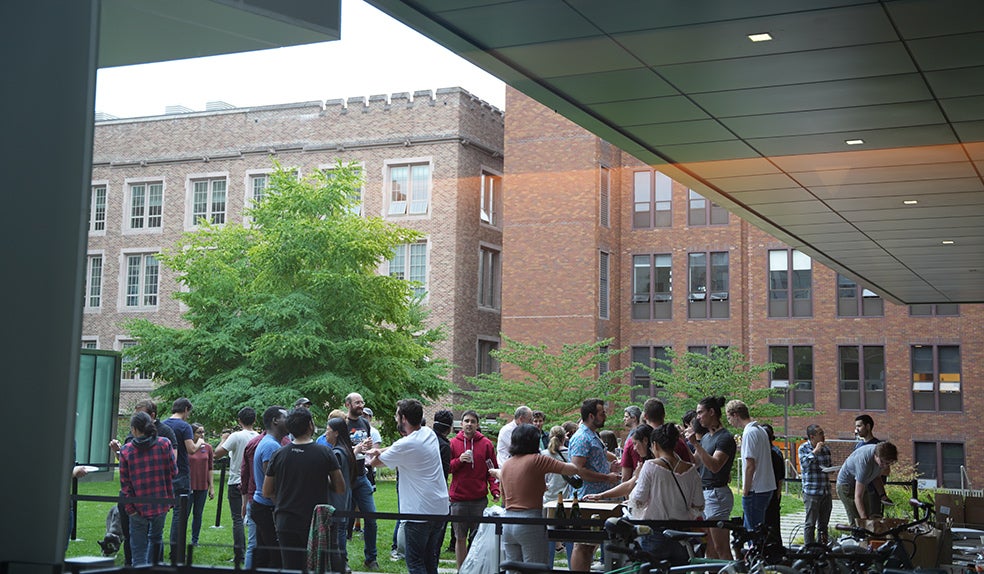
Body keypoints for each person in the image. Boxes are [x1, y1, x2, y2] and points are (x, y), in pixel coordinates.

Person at [367, 399, 449, 574]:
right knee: (430, 559)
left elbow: (374, 463)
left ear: (403, 418)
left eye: (397, 415)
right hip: (440, 508)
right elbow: (397, 448)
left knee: (415, 562)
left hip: (419, 512)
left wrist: (368, 453)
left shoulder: (406, 444)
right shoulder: (428, 433)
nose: (396, 418)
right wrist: (381, 450)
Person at [263, 408, 345, 571]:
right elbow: (340, 487)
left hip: (285, 520)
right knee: (316, 567)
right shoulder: (325, 453)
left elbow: (266, 491)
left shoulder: (279, 454)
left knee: (290, 567)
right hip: (315, 521)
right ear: (310, 425)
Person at [498, 424, 580, 571]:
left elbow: (504, 496)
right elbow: (572, 469)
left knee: (513, 570)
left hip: (508, 522)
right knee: (535, 569)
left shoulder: (507, 464)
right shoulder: (537, 460)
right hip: (529, 521)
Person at [109, 399, 178, 566]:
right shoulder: (164, 444)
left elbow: (125, 484)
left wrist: (131, 510)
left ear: (133, 429)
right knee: (156, 539)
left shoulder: (126, 450)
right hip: (160, 503)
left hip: (137, 506)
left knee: (138, 548)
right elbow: (174, 471)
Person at [627, 424, 704, 566]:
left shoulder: (650, 466)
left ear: (654, 445)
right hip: (682, 534)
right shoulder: (691, 470)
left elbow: (638, 499)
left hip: (655, 533)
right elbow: (699, 504)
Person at [568, 398, 621, 571]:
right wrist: (607, 478)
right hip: (587, 498)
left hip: (597, 499)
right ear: (591, 416)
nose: (605, 415)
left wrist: (609, 467)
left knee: (590, 545)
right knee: (583, 544)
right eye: (602, 413)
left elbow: (596, 460)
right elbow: (578, 469)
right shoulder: (582, 437)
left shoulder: (592, 435)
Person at [685, 396, 735, 560]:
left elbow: (715, 466)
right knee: (710, 548)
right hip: (705, 494)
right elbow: (695, 462)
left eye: (700, 413)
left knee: (721, 548)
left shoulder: (725, 438)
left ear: (712, 412)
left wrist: (697, 444)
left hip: (717, 495)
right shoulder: (706, 437)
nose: (698, 417)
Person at [449, 409, 500, 568]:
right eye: (466, 421)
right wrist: (459, 460)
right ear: (461, 424)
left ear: (477, 425)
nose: (469, 424)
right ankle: (461, 569)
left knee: (479, 538)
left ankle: (477, 569)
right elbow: (447, 468)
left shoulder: (486, 444)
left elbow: (492, 469)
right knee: (460, 537)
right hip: (459, 499)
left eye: (472, 421)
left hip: (479, 499)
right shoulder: (453, 443)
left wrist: (495, 489)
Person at [213, 406, 258, 565]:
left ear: (239, 421)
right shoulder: (259, 437)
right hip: (254, 483)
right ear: (254, 420)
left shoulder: (236, 436)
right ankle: (255, 552)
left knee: (238, 519)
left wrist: (223, 439)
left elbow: (217, 453)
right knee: (254, 519)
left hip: (236, 482)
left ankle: (240, 554)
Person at [162, 397, 206, 557]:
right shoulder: (184, 426)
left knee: (159, 511)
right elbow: (191, 449)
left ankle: (156, 549)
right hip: (180, 473)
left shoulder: (163, 424)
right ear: (186, 409)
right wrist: (200, 442)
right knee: (179, 514)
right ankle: (176, 550)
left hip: (163, 474)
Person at [725, 400, 776, 532]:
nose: (729, 421)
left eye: (729, 417)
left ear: (735, 415)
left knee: (751, 531)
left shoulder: (749, 433)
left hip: (756, 489)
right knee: (759, 528)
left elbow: (750, 465)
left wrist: (745, 490)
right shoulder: (760, 430)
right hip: (767, 486)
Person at [344, 392, 380, 570]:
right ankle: (342, 560)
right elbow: (338, 451)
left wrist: (369, 449)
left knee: (371, 518)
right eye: (357, 402)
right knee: (343, 521)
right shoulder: (342, 424)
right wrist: (357, 448)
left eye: (362, 402)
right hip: (345, 480)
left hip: (361, 477)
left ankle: (371, 558)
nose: (361, 405)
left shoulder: (364, 423)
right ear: (347, 405)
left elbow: (367, 446)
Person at [318, 417, 358, 570]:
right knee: (340, 532)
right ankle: (341, 563)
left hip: (335, 501)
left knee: (336, 536)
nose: (325, 434)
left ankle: (340, 564)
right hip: (344, 499)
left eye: (327, 430)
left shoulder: (337, 454)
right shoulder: (346, 450)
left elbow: (335, 481)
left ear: (336, 433)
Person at [251, 405, 288, 569]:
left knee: (264, 555)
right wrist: (281, 507)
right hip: (267, 508)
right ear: (275, 421)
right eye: (286, 417)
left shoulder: (271, 443)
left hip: (262, 506)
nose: (290, 421)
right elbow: (271, 485)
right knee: (275, 557)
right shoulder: (271, 446)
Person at [836, 442, 897, 526]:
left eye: (888, 463)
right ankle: (858, 536)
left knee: (868, 515)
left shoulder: (881, 456)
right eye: (883, 462)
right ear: (876, 455)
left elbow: (876, 477)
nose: (885, 466)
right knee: (857, 520)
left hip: (862, 483)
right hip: (846, 486)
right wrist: (864, 521)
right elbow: (858, 497)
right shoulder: (864, 463)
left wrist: (883, 496)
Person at [798, 424, 832, 546]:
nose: (823, 436)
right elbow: (805, 465)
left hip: (825, 491)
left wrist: (831, 469)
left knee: (823, 525)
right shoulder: (803, 448)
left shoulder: (826, 449)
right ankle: (809, 549)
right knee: (810, 523)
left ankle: (822, 548)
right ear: (812, 436)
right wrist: (816, 451)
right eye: (820, 434)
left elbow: (828, 466)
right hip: (812, 492)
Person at [187, 423, 215, 546]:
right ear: (192, 433)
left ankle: (195, 540)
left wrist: (212, 487)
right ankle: (180, 539)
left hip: (202, 486)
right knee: (184, 514)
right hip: (188, 486)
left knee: (198, 514)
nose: (202, 435)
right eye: (199, 432)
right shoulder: (187, 447)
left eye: (203, 432)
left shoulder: (207, 447)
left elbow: (210, 468)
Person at [853, 414, 884, 519]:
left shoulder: (878, 446)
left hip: (873, 490)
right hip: (860, 489)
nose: (856, 429)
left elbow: (884, 469)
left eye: (859, 426)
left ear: (868, 426)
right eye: (856, 426)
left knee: (874, 520)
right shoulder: (858, 446)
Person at [761, 423, 784, 546]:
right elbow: (780, 480)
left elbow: (780, 478)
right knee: (773, 526)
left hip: (765, 495)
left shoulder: (774, 454)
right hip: (773, 494)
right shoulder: (776, 453)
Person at [619, 405, 643, 482]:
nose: (624, 419)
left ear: (634, 418)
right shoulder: (633, 433)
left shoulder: (637, 435)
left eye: (626, 417)